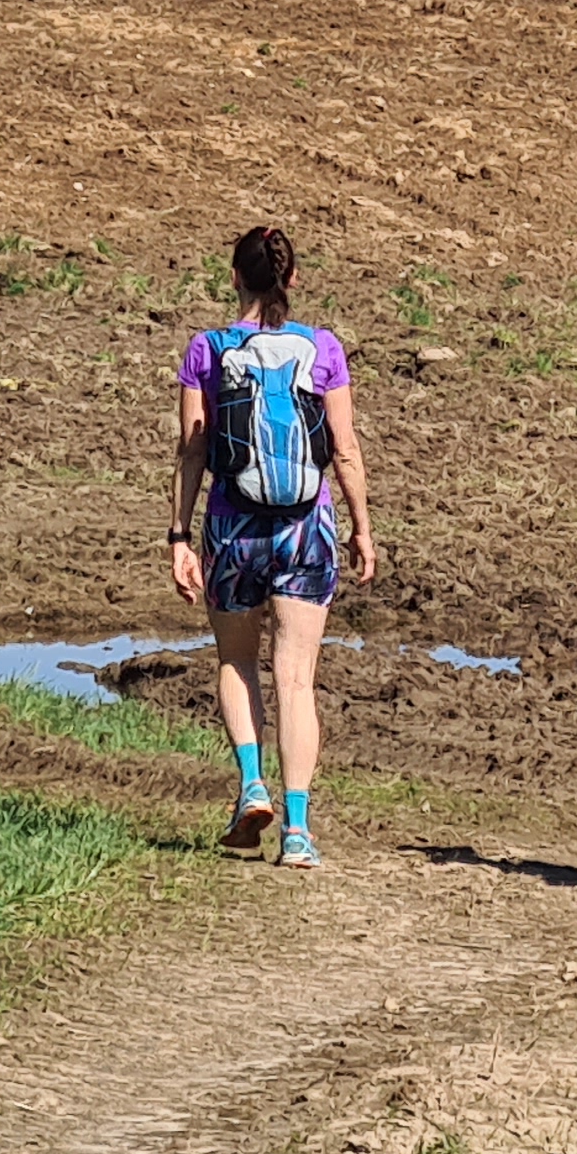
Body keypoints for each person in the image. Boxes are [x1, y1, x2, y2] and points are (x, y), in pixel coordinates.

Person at [168, 224, 374, 866]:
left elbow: (193, 450)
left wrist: (179, 536)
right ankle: (298, 831)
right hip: (306, 530)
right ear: (293, 279)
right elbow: (344, 449)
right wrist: (362, 528)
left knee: (236, 662)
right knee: (296, 679)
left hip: (232, 529)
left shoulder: (207, 349)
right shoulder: (323, 348)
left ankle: (252, 785)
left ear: (235, 278)